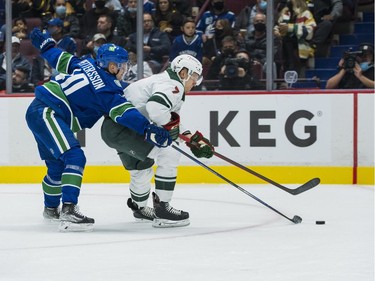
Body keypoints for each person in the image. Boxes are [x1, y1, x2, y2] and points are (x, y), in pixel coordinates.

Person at [25, 28, 172, 232]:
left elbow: (58, 58)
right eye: (121, 66)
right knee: (75, 157)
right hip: (49, 112)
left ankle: (51, 210)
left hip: (39, 110)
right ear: (112, 66)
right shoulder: (108, 90)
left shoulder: (86, 63)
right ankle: (68, 211)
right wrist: (148, 129)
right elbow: (125, 113)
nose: (124, 69)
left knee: (56, 166)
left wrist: (47, 46)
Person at [101, 54, 215, 228]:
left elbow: (166, 117)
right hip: (124, 130)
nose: (195, 83)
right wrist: (177, 135)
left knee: (142, 166)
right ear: (183, 72)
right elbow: (155, 109)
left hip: (115, 129)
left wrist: (190, 138)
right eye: (194, 78)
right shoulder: (174, 85)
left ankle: (139, 207)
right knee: (170, 151)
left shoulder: (164, 81)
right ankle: (163, 209)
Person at [274, 0, 316, 77]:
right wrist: (276, 31)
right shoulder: (285, 13)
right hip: (285, 48)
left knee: (288, 39)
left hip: (301, 47)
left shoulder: (306, 14)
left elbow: (310, 32)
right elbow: (278, 26)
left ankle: (292, 69)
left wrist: (291, 28)